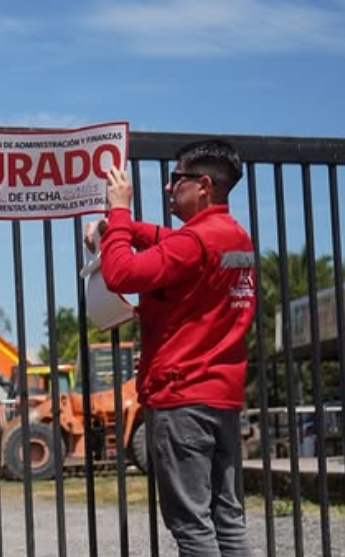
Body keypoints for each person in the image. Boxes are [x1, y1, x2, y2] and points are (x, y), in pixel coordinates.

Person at [86, 139, 255, 557]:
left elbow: (121, 273)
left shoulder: (193, 243)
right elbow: (169, 241)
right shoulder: (233, 238)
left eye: (175, 178)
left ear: (203, 186)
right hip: (221, 397)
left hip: (182, 399)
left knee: (192, 526)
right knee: (227, 518)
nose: (167, 187)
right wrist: (118, 230)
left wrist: (119, 209)